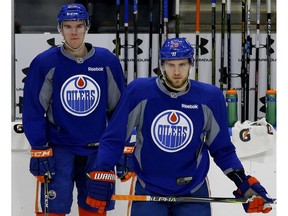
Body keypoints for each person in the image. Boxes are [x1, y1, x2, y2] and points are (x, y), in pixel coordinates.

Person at [84, 37, 274, 216]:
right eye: (171, 65)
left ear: (191, 64)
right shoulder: (140, 92)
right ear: (162, 66)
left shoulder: (209, 97)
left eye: (182, 64)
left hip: (193, 189)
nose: (176, 71)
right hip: (148, 187)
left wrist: (242, 181)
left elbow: (222, 149)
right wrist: (102, 170)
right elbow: (115, 137)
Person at [22, 3, 126, 216]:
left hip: (98, 152)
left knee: (94, 209)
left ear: (87, 27)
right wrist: (39, 148)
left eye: (79, 26)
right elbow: (33, 110)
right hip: (60, 149)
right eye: (68, 27)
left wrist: (123, 147)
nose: (74, 32)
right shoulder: (45, 63)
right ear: (60, 29)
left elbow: (120, 111)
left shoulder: (107, 61)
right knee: (54, 210)